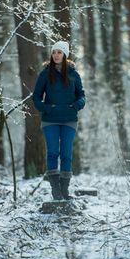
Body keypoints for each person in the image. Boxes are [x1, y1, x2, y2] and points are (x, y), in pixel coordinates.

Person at [32, 41, 85, 200]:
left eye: (59, 52)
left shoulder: (74, 74)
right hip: (50, 120)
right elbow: (36, 97)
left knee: (66, 155)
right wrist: (47, 108)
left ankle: (65, 190)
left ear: (65, 55)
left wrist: (76, 105)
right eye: (54, 52)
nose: (56, 55)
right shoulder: (45, 74)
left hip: (69, 119)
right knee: (53, 152)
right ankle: (55, 190)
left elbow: (81, 95)